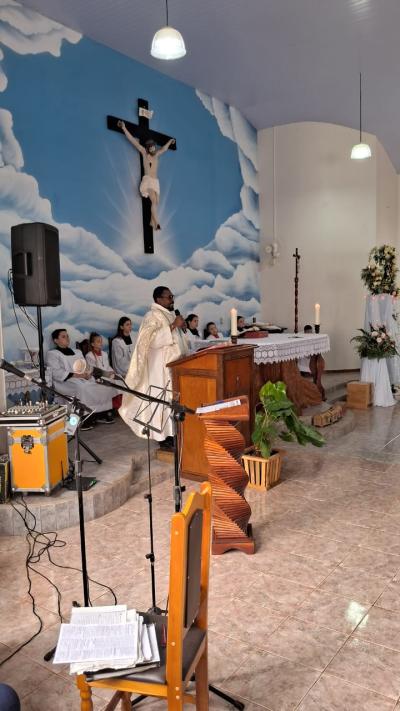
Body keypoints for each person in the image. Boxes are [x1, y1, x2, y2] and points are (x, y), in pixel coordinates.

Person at [119, 286, 187, 450]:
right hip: (160, 369)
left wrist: (179, 327)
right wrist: (172, 326)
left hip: (175, 367)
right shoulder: (152, 316)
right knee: (162, 401)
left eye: (172, 296)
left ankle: (174, 433)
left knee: (173, 401)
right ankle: (162, 437)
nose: (172, 299)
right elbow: (151, 340)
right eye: (169, 297)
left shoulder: (169, 314)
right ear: (159, 299)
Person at [46, 328, 115, 428]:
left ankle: (99, 414)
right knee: (83, 388)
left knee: (101, 385)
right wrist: (78, 375)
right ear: (56, 340)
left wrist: (87, 374)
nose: (67, 338)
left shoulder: (77, 352)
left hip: (82, 378)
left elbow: (85, 366)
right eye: (63, 336)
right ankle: (80, 420)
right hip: (66, 382)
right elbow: (57, 373)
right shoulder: (53, 354)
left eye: (67, 336)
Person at [118, 120, 175, 231]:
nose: (153, 148)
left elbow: (163, 149)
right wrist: (124, 128)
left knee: (156, 202)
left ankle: (151, 222)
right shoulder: (144, 153)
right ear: (148, 148)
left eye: (154, 146)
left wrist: (170, 141)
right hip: (148, 180)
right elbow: (133, 141)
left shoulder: (157, 155)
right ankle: (157, 223)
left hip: (155, 181)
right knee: (153, 201)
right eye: (151, 147)